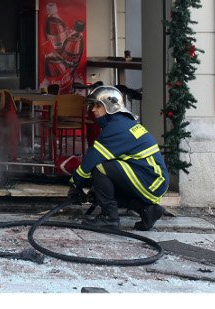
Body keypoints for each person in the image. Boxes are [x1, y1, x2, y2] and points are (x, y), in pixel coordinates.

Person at [67, 85, 169, 231]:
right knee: (104, 187)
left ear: (110, 106)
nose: (93, 109)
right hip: (152, 178)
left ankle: (109, 219)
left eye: (97, 105)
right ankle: (147, 210)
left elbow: (92, 159)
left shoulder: (116, 128)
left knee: (100, 169)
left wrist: (76, 184)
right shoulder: (121, 122)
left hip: (151, 180)